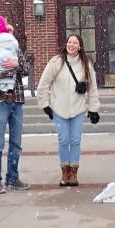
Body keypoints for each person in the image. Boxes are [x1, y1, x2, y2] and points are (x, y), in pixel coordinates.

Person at [35, 34, 100, 188]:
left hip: (78, 108)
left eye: (75, 43)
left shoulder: (86, 64)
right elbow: (44, 84)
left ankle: (74, 172)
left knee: (75, 140)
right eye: (69, 42)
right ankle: (65, 171)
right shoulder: (56, 62)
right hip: (59, 108)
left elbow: (93, 88)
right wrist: (45, 104)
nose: (71, 45)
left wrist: (93, 109)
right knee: (63, 140)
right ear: (66, 44)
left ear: (80, 46)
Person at [0, 15, 29, 193]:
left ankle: (13, 177)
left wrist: (16, 64)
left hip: (17, 98)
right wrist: (2, 70)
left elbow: (26, 70)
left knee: (16, 142)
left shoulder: (14, 47)